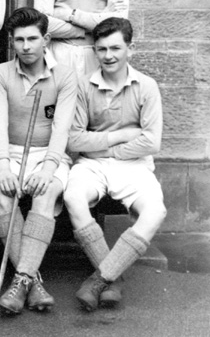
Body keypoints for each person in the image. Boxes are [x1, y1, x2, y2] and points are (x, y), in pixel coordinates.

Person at [64, 17, 165, 311]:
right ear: (95, 51)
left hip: (134, 165)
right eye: (102, 49)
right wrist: (119, 137)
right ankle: (113, 277)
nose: (108, 56)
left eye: (115, 48)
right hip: (92, 166)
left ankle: (102, 277)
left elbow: (151, 142)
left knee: (155, 211)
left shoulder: (147, 86)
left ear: (129, 49)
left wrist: (106, 150)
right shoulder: (83, 86)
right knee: (73, 197)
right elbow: (74, 141)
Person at [0, 8, 77, 314]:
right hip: (10, 152)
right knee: (0, 189)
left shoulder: (64, 75)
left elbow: (61, 129)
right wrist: (1, 165)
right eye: (19, 39)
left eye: (32, 39)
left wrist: (49, 168)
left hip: (49, 154)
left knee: (47, 190)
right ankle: (32, 280)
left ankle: (21, 279)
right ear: (11, 41)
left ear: (46, 40)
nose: (25, 46)